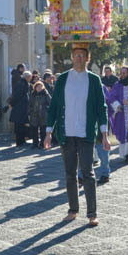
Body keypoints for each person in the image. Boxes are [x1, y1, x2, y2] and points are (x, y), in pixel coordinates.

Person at [44, 44, 109, 227]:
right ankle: (73, 210)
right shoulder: (63, 79)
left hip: (86, 133)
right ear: (72, 58)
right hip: (66, 134)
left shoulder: (94, 80)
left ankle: (92, 213)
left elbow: (101, 108)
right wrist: (49, 132)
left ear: (87, 58)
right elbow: (54, 107)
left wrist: (104, 134)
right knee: (70, 174)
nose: (79, 58)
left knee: (88, 173)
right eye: (76, 55)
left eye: (82, 55)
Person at [8, 71, 31, 148]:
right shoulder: (21, 84)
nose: (30, 78)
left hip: (22, 108)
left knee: (22, 125)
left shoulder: (24, 84)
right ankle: (19, 141)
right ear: (27, 77)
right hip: (19, 108)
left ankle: (22, 140)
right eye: (30, 77)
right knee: (19, 126)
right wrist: (11, 104)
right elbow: (16, 96)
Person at [28, 81, 51, 148]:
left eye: (40, 86)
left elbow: (50, 102)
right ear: (35, 87)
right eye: (37, 87)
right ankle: (35, 143)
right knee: (34, 130)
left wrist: (47, 110)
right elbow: (29, 104)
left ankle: (42, 144)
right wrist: (29, 112)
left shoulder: (45, 93)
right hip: (34, 115)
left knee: (43, 130)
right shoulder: (33, 94)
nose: (39, 88)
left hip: (43, 114)